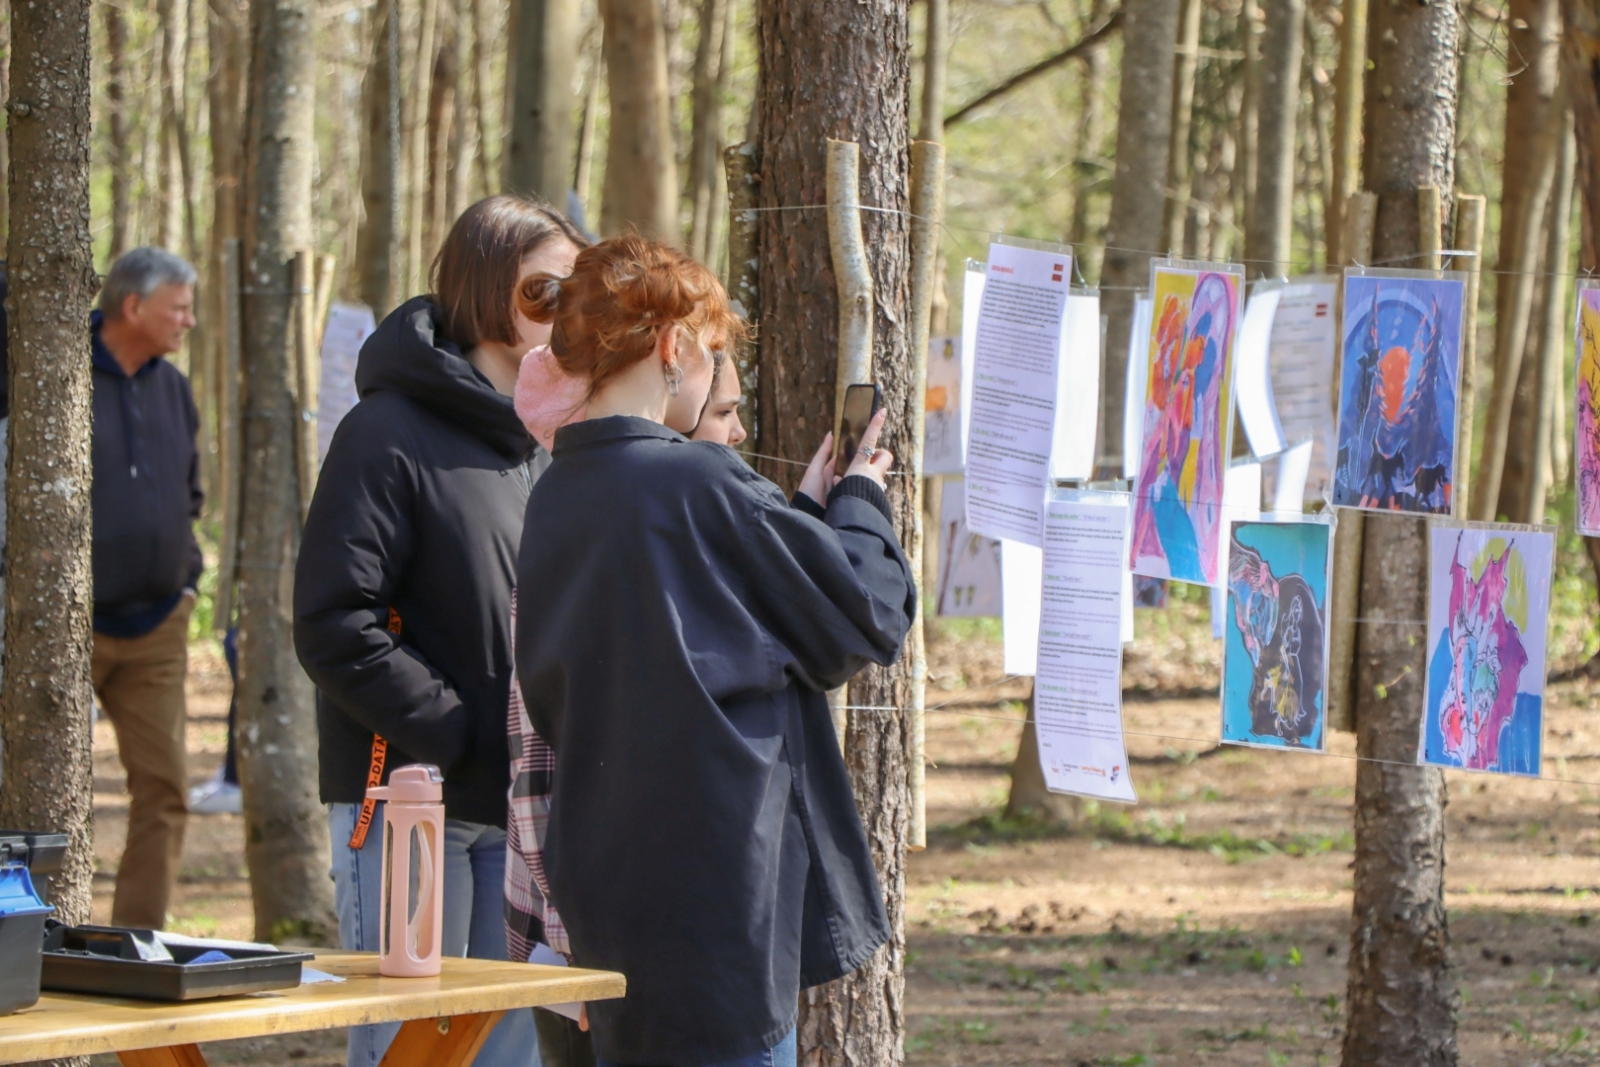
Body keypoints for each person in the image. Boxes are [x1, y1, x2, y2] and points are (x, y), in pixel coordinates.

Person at [512, 235, 916, 1067]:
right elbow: (861, 613)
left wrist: (798, 516)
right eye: (716, 351)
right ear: (673, 347)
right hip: (716, 897)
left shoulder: (556, 493)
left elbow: (714, 611)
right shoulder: (696, 481)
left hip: (604, 888)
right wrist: (863, 498)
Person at [294, 195, 585, 1067]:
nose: (564, 312)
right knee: (405, 1053)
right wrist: (454, 730)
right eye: (544, 291)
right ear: (483, 288)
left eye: (577, 293)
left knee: (503, 1055)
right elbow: (333, 620)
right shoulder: (383, 434)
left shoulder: (549, 444)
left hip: (521, 810)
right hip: (407, 804)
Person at [90, 247, 203, 931]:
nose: (188, 321)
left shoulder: (174, 388)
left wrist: (187, 580)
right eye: (179, 308)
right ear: (133, 306)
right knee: (40, 798)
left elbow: (190, 492)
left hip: (158, 624)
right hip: (64, 628)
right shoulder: (52, 374)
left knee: (165, 791)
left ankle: (133, 946)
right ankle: (29, 951)